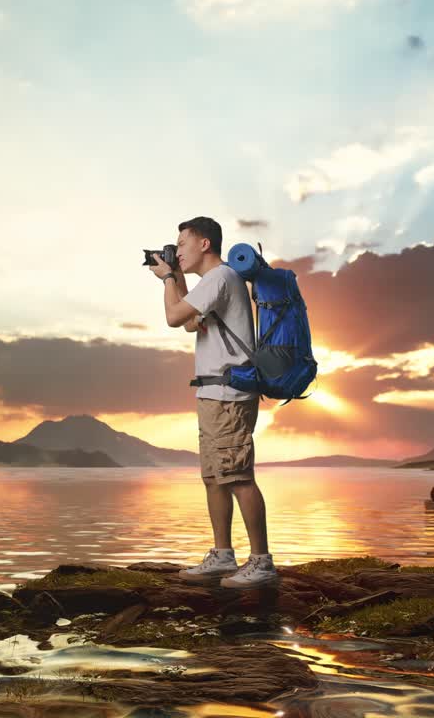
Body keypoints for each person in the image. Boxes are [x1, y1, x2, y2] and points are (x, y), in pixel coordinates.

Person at [147, 216, 278, 589]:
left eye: (182, 244)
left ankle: (262, 562)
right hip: (212, 393)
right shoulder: (213, 284)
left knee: (237, 476)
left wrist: (169, 277)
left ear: (204, 244)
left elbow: (174, 316)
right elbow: (190, 322)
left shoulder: (222, 277)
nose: (178, 251)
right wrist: (176, 277)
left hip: (228, 395)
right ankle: (223, 556)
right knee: (214, 478)